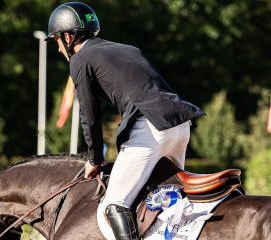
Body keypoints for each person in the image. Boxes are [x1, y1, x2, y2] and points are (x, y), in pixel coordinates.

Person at [45, 2, 204, 240]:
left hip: (152, 129)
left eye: (57, 41)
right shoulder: (128, 49)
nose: (58, 49)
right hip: (179, 124)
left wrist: (94, 159)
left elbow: (90, 115)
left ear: (67, 37)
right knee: (167, 198)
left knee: (113, 207)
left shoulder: (80, 59)